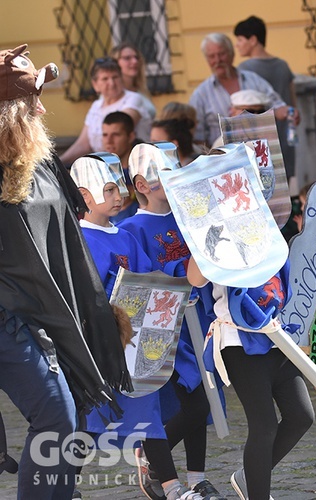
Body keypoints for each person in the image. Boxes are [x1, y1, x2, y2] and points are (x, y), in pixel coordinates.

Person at [0, 43, 130, 499]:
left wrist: (92, 310)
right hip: (6, 318)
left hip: (42, 311)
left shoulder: (40, 158)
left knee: (68, 412)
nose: (40, 106)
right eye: (29, 99)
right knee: (56, 412)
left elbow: (66, 243)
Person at [69, 153, 192, 499]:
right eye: (107, 190)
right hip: (101, 347)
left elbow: (146, 279)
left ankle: (171, 486)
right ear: (85, 196)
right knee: (93, 421)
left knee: (147, 412)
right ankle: (65, 484)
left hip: (135, 344)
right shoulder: (79, 239)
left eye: (117, 188)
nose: (116, 196)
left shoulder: (125, 236)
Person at [117, 144, 224, 500]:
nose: (172, 180)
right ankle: (165, 475)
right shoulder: (131, 228)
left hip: (201, 321)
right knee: (179, 403)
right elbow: (143, 275)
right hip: (163, 327)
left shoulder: (186, 217)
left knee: (204, 397)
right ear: (142, 184)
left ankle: (197, 477)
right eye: (162, 175)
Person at [186, 257, 315, 500]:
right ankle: (258, 492)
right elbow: (195, 278)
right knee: (263, 426)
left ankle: (250, 477)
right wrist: (202, 238)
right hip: (237, 337)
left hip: (274, 334)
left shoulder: (266, 226)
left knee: (301, 415)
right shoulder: (213, 231)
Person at [189, 33, 287, 147]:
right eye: (212, 56)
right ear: (206, 59)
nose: (217, 60)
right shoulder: (201, 94)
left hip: (260, 154)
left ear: (232, 54)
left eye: (222, 54)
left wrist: (287, 113)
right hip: (223, 159)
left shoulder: (253, 80)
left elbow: (277, 105)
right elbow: (197, 137)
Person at [235, 15, 300, 178]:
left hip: (261, 141)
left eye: (240, 39)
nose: (237, 45)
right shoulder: (283, 65)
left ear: (253, 40)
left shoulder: (244, 70)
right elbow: (292, 102)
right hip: (286, 137)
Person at [59, 56, 154, 164]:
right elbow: (83, 144)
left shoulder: (133, 99)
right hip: (106, 165)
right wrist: (60, 162)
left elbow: (119, 130)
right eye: (105, 79)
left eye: (115, 77)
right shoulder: (96, 106)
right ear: (95, 85)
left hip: (134, 164)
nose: (112, 83)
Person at [101, 111, 139, 222]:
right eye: (105, 135)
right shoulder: (100, 172)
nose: (109, 141)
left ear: (131, 136)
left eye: (116, 135)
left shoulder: (141, 171)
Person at [111, 43, 157, 121]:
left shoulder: (141, 90)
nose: (135, 61)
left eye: (136, 57)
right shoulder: (111, 93)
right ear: (116, 63)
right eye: (127, 58)